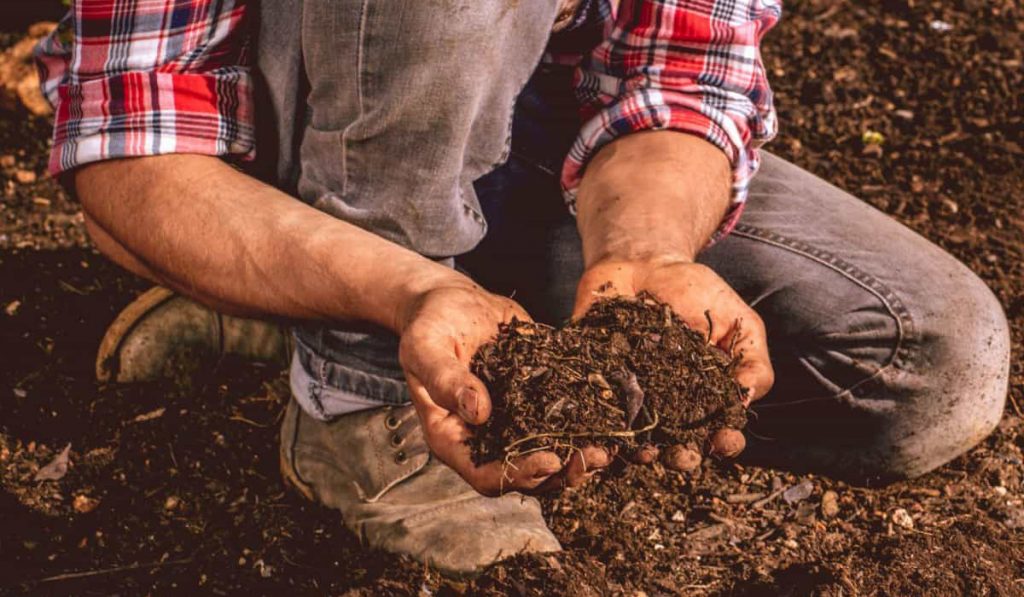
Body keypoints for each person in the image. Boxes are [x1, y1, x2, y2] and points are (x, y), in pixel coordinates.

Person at [36, 0, 1009, 575]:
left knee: (919, 363)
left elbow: (681, 75)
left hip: (525, 133)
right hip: (268, 144)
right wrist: (402, 294)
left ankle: (313, 306)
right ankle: (355, 391)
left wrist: (645, 255)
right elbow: (132, 149)